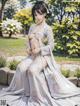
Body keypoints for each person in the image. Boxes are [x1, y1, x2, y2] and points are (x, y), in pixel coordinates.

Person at [0, 1, 80, 106]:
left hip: (44, 57)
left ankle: (37, 98)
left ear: (44, 14)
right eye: (35, 14)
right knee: (21, 67)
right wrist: (28, 49)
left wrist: (40, 49)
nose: (36, 17)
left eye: (38, 14)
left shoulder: (48, 29)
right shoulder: (32, 27)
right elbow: (27, 41)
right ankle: (25, 92)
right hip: (32, 56)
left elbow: (52, 45)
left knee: (32, 70)